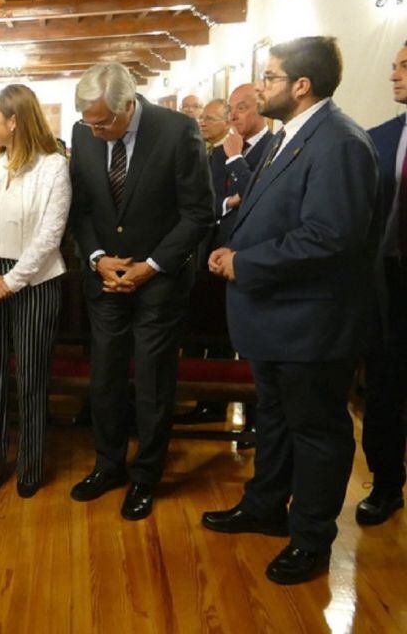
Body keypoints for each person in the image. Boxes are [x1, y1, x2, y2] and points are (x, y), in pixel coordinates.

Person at [202, 37, 381, 585]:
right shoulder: (293, 136)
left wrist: (244, 262)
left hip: (311, 321)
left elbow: (329, 237)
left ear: (302, 86)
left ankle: (311, 540)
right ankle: (264, 506)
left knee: (317, 432)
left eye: (271, 78)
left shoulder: (340, 142)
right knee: (276, 421)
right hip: (276, 319)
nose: (261, 87)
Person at [67, 63, 213, 520]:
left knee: (152, 382)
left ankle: (145, 476)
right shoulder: (84, 132)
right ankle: (109, 464)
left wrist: (150, 267)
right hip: (106, 280)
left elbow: (197, 214)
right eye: (88, 123)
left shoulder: (177, 132)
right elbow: (84, 209)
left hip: (160, 283)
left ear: (128, 105)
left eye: (103, 123)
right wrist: (96, 260)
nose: (95, 132)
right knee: (105, 376)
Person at [0, 84, 72, 498]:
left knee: (31, 373)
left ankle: (30, 463)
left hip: (35, 279)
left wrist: (12, 280)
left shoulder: (53, 166)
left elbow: (50, 234)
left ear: (14, 121)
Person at [179, 83, 273, 426]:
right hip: (215, 252)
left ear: (262, 109)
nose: (234, 116)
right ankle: (210, 405)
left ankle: (254, 418)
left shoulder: (272, 149)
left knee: (250, 341)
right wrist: (227, 202)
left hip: (252, 257)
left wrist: (236, 163)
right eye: (231, 109)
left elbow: (263, 201)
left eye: (242, 108)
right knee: (214, 330)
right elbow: (209, 200)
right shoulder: (219, 152)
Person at [357, 41, 407, 526]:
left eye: (404, 66)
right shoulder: (379, 138)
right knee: (385, 388)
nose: (394, 75)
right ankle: (387, 484)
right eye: (393, 66)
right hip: (388, 280)